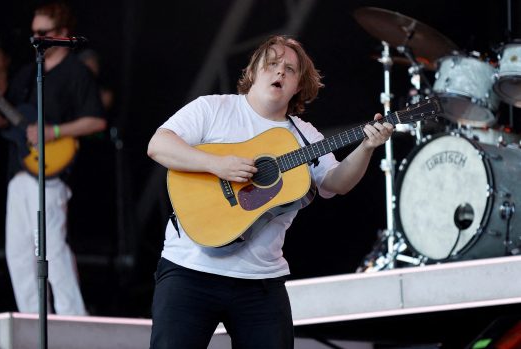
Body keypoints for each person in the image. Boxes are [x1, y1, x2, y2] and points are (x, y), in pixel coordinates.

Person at [146, 35, 394, 348]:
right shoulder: (213, 107)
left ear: (297, 87)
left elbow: (335, 183)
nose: (280, 72)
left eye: (290, 70)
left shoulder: (305, 136)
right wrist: (215, 165)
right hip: (189, 270)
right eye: (272, 64)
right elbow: (159, 145)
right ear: (253, 71)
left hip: (261, 282)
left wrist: (367, 147)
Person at [0, 2, 106, 315]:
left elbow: (96, 120)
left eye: (43, 33)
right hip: (19, 171)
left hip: (51, 173)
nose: (36, 39)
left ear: (63, 34)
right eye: (33, 34)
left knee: (52, 250)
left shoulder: (76, 72)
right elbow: (6, 121)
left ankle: (73, 322)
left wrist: (53, 130)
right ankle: (32, 320)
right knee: (18, 255)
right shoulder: (28, 74)